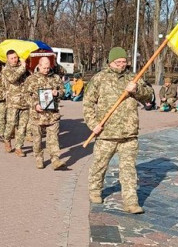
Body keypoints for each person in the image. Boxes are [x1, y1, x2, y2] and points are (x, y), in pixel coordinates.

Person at [83, 47, 153, 214]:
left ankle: (131, 202)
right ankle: (94, 190)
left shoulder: (133, 78)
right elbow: (87, 104)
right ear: (110, 62)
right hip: (106, 134)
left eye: (124, 61)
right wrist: (93, 124)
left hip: (129, 134)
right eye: (118, 62)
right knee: (99, 166)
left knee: (128, 170)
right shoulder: (99, 79)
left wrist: (136, 90)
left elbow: (149, 96)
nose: (122, 65)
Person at [24, 57, 66, 170]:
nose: (47, 70)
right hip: (37, 115)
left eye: (48, 67)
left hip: (52, 115)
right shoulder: (31, 79)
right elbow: (26, 95)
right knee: (37, 140)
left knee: (53, 139)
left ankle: (55, 160)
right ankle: (39, 158)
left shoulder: (56, 78)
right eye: (44, 68)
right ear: (39, 65)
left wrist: (57, 93)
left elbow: (63, 91)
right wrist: (35, 105)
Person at [2, 50, 29, 156]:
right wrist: (23, 67)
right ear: (8, 59)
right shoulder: (6, 70)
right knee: (11, 123)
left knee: (23, 126)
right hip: (13, 101)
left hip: (24, 101)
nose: (14, 60)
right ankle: (7, 139)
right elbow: (12, 79)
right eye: (12, 58)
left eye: (15, 57)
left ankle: (19, 147)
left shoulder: (23, 67)